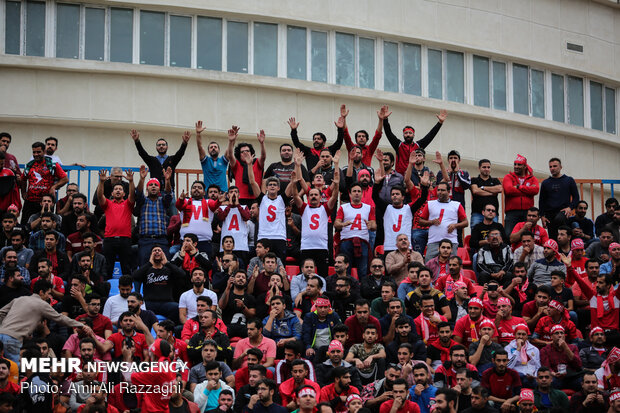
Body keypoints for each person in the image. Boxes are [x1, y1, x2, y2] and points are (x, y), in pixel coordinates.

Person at [0, 280, 92, 363]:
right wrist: (80, 325)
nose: (49, 297)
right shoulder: (42, 304)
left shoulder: (19, 299)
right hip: (13, 339)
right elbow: (60, 318)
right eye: (48, 293)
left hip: (1, 333)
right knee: (17, 367)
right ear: (41, 292)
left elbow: (1, 313)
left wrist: (4, 327)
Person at [97, 168, 135, 278]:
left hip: (125, 239)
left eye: (120, 189)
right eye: (116, 189)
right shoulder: (108, 204)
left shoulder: (128, 204)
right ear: (112, 193)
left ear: (124, 193)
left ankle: (128, 292)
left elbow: (132, 196)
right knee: (108, 268)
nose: (118, 190)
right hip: (109, 239)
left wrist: (131, 181)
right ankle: (106, 293)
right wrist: (102, 182)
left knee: (126, 268)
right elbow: (100, 196)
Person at [132, 246, 186, 323]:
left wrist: (167, 263)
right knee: (138, 307)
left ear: (163, 254)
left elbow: (182, 274)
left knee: (177, 308)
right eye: (154, 250)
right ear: (151, 255)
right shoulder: (146, 269)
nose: (157, 252)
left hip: (166, 303)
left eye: (159, 250)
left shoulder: (168, 269)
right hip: (149, 303)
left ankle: (167, 329)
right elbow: (135, 276)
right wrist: (149, 263)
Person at [335, 182, 377, 279]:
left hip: (362, 241)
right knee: (346, 270)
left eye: (359, 191)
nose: (357, 193)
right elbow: (336, 223)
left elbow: (374, 225)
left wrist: (371, 226)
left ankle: (362, 291)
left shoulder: (368, 208)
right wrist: (343, 224)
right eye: (354, 191)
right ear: (350, 194)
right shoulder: (343, 207)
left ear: (362, 194)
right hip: (346, 240)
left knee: (363, 270)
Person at [20, 142, 68, 226]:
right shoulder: (29, 166)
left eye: (38, 152)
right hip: (30, 201)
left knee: (47, 226)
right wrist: (23, 192)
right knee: (26, 226)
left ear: (44, 151)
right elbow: (23, 179)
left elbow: (65, 179)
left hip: (46, 203)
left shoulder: (52, 164)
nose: (36, 154)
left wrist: (54, 187)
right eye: (34, 152)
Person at [134, 165, 173, 265]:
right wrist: (142, 179)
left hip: (161, 240)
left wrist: (167, 180)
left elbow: (168, 195)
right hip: (145, 240)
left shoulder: (163, 202)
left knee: (165, 266)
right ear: (147, 189)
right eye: (150, 185)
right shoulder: (142, 201)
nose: (153, 186)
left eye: (156, 185)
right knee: (144, 265)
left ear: (159, 189)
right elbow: (138, 193)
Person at [419, 182, 468, 260]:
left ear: (449, 192)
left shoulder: (457, 205)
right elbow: (420, 221)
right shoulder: (430, 204)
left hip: (451, 242)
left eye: (442, 190)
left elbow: (466, 223)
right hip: (433, 242)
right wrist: (431, 222)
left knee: (451, 267)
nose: (440, 192)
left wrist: (455, 225)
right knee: (429, 266)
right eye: (438, 190)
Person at [130, 128, 189, 193]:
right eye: (159, 145)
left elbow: (180, 153)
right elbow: (142, 153)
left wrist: (184, 143)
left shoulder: (172, 160)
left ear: (167, 147)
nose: (161, 146)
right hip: (154, 192)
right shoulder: (151, 160)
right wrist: (137, 141)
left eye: (163, 145)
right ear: (156, 148)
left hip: (169, 192)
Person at [176, 180, 221, 257]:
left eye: (199, 188)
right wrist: (180, 199)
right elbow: (178, 205)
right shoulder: (185, 201)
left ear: (204, 192)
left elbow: (214, 205)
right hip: (187, 241)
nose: (196, 189)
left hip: (204, 241)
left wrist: (219, 201)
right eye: (194, 187)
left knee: (204, 266)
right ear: (190, 191)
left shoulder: (208, 202)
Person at [538, 158, 579, 239]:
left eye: (555, 166)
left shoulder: (569, 180)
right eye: (550, 167)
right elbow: (541, 200)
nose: (552, 168)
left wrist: (570, 208)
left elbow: (576, 197)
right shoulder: (545, 183)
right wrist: (542, 216)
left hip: (563, 212)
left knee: (562, 233)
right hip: (549, 214)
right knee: (553, 237)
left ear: (560, 167)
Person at [502, 155, 539, 236]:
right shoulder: (508, 177)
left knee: (528, 235)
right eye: (515, 164)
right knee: (508, 235)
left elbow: (535, 190)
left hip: (527, 213)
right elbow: (508, 190)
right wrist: (528, 190)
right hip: (512, 212)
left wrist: (519, 187)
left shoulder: (532, 178)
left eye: (519, 164)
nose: (516, 166)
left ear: (525, 166)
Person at [230, 129, 267, 206]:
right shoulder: (236, 164)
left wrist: (262, 143)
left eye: (247, 151)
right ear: (239, 155)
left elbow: (263, 156)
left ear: (251, 153)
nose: (245, 153)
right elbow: (230, 156)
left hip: (256, 198)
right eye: (242, 152)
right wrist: (231, 142)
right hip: (240, 198)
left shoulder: (257, 162)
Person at [539, 325, 582, 390]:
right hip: (555, 377)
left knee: (582, 383)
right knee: (550, 383)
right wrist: (554, 374)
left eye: (562, 333)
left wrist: (566, 348)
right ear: (551, 337)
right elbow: (546, 367)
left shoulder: (573, 347)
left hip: (571, 377)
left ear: (564, 336)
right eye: (556, 333)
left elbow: (578, 365)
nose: (560, 335)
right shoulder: (545, 350)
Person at [196, 120, 234, 192]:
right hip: (208, 193)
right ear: (208, 151)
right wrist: (198, 134)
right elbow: (200, 147)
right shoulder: (205, 161)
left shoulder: (223, 160)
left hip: (222, 192)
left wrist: (231, 141)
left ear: (219, 150)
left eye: (215, 147)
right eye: (211, 147)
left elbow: (229, 151)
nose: (213, 148)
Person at [504, 324, 539, 388]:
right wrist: (518, 349)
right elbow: (508, 366)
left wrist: (535, 376)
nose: (521, 336)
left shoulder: (534, 349)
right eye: (519, 334)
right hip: (517, 376)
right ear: (515, 335)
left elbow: (538, 366)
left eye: (523, 334)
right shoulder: (508, 348)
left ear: (527, 336)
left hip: (531, 376)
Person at [469, 160, 502, 229]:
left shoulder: (495, 180)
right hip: (477, 214)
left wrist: (483, 188)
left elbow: (499, 189)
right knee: (475, 236)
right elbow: (475, 191)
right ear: (479, 168)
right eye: (484, 167)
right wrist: (492, 192)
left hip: (492, 214)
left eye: (488, 167)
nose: (486, 169)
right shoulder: (474, 180)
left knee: (494, 235)